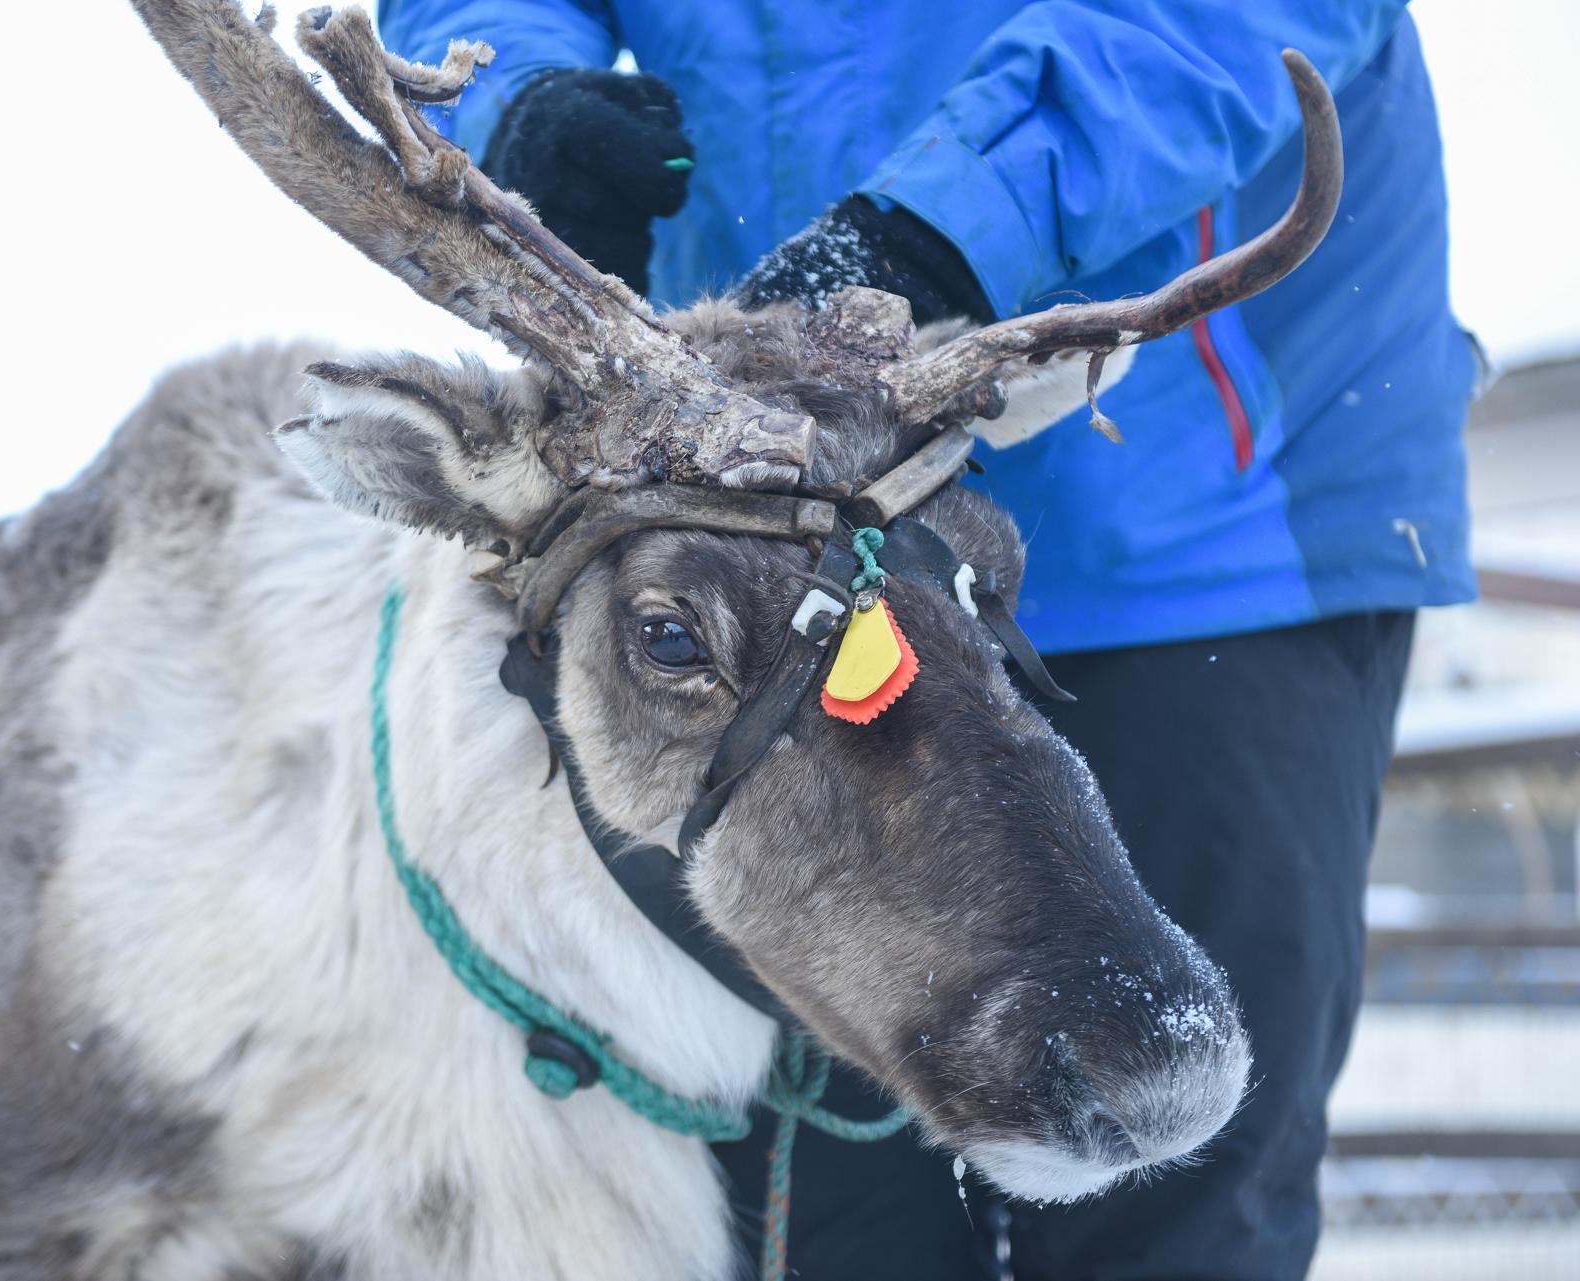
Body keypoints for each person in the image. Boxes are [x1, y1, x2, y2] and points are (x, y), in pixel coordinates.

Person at [380, 3, 1478, 1277]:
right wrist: (514, 100)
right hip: (765, 555)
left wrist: (951, 224)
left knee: (1172, 1172)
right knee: (828, 1223)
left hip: (1202, 531)